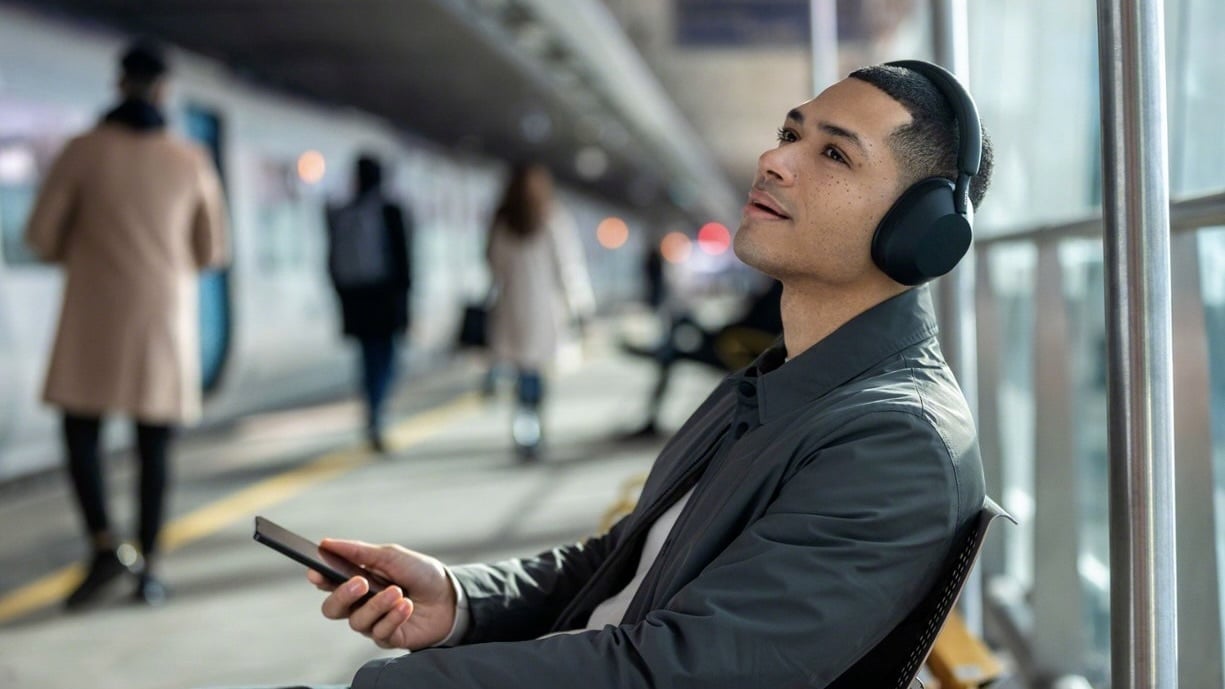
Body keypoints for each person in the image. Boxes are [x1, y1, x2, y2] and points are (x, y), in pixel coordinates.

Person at [251, 59, 995, 688]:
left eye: (833, 155)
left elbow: (672, 674)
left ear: (920, 234)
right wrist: (460, 599)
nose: (775, 160)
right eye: (789, 134)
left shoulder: (893, 444)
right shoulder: (778, 383)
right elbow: (625, 562)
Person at [24, 39, 228, 608]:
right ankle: (152, 569)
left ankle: (104, 546)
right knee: (154, 446)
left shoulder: (82, 151)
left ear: (118, 84)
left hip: (93, 313)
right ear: (165, 90)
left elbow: (40, 236)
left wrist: (89, 254)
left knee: (81, 432)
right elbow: (212, 250)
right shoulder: (189, 159)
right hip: (163, 320)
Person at [484, 163, 595, 459]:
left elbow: (494, 265)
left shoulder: (502, 220)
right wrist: (581, 307)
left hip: (512, 307)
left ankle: (524, 428)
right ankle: (533, 430)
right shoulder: (552, 216)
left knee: (522, 371)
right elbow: (568, 266)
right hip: (545, 308)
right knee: (538, 371)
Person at [326, 155, 414, 453]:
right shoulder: (391, 211)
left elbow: (331, 263)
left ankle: (373, 412)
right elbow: (405, 264)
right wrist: (407, 308)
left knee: (368, 360)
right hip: (385, 299)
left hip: (358, 301)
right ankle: (377, 414)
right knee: (387, 361)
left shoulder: (342, 213)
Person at [621, 277, 783, 438]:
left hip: (739, 351)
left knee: (673, 351)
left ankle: (659, 353)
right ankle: (661, 351)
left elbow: (759, 329)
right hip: (734, 343)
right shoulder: (777, 288)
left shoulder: (781, 291)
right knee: (681, 327)